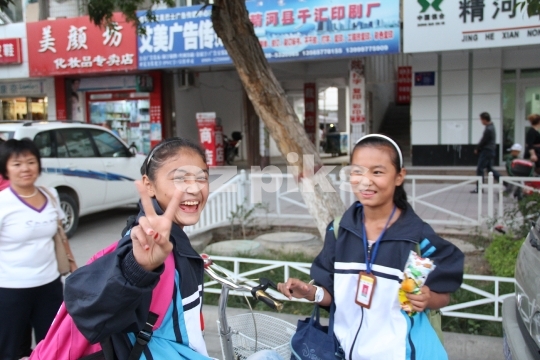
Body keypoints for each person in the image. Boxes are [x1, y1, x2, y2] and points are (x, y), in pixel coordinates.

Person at [49, 138, 281, 359]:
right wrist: (138, 268)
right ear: (148, 185)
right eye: (180, 179)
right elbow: (89, 307)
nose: (193, 189)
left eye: (202, 178)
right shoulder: (143, 245)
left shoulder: (173, 241)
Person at [277, 134, 464, 360]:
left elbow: (442, 295)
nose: (365, 181)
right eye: (357, 171)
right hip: (345, 353)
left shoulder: (417, 237)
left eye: (377, 172)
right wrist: (310, 292)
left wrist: (427, 298)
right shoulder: (339, 231)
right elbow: (332, 297)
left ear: (399, 176)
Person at [0, 138, 75, 360]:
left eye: (31, 162)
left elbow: (60, 235)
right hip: (10, 289)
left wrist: (73, 264)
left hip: (49, 286)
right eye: (17, 164)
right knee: (11, 349)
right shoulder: (3, 202)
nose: (25, 168)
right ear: (5, 168)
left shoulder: (50, 194)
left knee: (52, 345)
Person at [471, 112, 501, 193]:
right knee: (490, 169)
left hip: (487, 151)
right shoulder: (491, 127)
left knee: (480, 169)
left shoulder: (488, 129)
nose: (481, 122)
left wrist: (477, 148)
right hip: (491, 150)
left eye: (481, 120)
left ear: (484, 119)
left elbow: (484, 140)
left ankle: (479, 188)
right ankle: (506, 183)